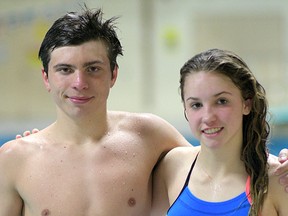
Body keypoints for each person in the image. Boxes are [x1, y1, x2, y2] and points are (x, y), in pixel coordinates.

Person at [0, 7, 287, 216]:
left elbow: (218, 161)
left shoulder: (148, 136)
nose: (79, 83)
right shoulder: (15, 160)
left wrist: (279, 162)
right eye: (65, 70)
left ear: (113, 74)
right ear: (46, 77)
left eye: (93, 69)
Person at [152, 48, 288, 216]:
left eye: (221, 101)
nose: (208, 117)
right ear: (185, 109)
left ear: (247, 104)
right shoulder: (172, 167)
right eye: (196, 105)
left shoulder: (278, 179)